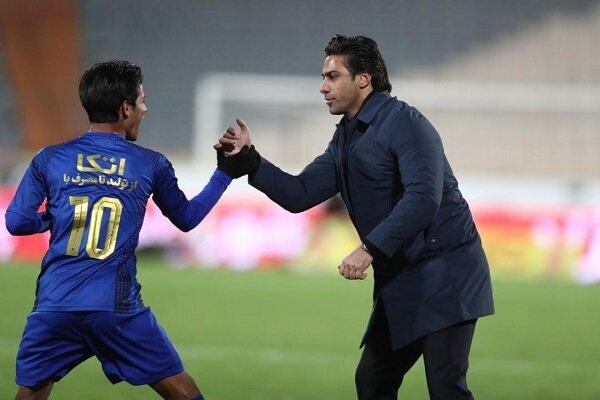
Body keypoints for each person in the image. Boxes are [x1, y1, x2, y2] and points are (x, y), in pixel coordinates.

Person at [216, 34, 495, 399]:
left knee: (445, 388)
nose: (323, 87)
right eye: (324, 77)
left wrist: (368, 250)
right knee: (373, 381)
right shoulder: (347, 137)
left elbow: (424, 197)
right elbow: (300, 193)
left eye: (333, 77)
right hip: (403, 279)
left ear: (363, 79)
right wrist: (249, 160)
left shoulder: (406, 124)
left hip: (445, 274)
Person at [5, 60, 248, 400]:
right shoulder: (149, 163)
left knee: (31, 394)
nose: (145, 109)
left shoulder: (50, 158)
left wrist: (55, 217)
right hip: (115, 308)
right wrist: (224, 173)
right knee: (183, 392)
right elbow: (187, 218)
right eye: (142, 101)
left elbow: (16, 222)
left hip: (55, 304)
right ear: (125, 109)